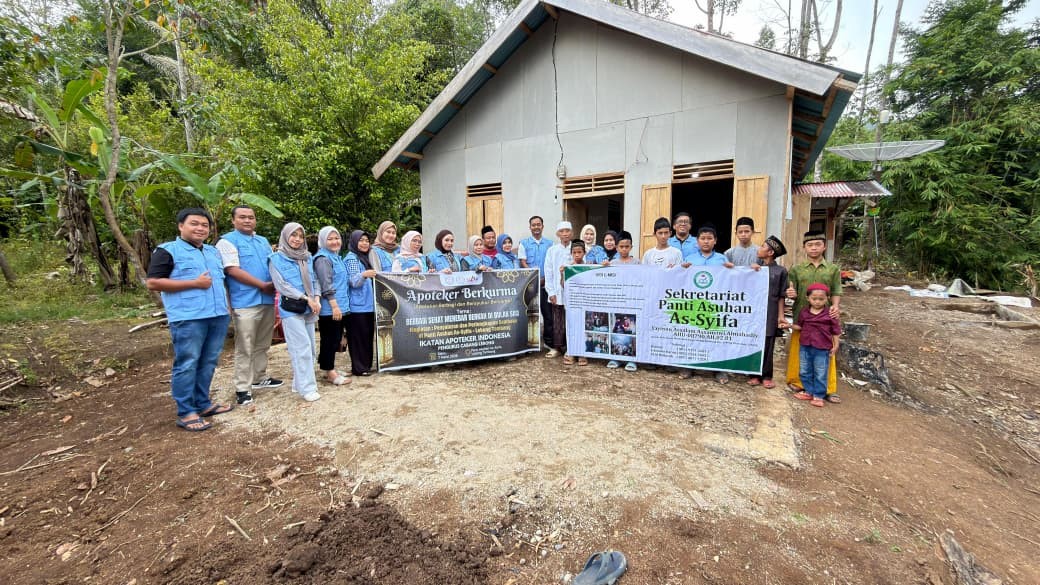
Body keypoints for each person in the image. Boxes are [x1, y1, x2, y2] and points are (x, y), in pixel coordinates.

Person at [146, 208, 233, 432]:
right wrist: (193, 283)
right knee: (187, 363)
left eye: (205, 225)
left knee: (209, 361)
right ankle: (186, 411)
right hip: (189, 318)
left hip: (217, 315)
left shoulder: (212, 252)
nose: (200, 228)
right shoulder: (168, 251)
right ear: (181, 226)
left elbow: (220, 283)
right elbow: (153, 282)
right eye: (195, 224)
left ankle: (203, 403)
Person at [215, 205, 283, 407]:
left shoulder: (262, 241)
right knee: (245, 345)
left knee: (263, 343)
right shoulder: (227, 242)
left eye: (251, 217)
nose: (247, 220)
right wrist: (262, 285)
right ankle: (243, 388)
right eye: (242, 217)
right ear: (233, 220)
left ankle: (259, 377)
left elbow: (273, 264)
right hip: (245, 301)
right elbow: (232, 270)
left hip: (267, 299)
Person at [785, 231, 843, 401]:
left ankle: (829, 388)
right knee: (801, 350)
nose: (814, 248)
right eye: (810, 245)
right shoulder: (796, 269)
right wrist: (790, 293)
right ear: (804, 248)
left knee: (826, 352)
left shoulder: (833, 269)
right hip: (802, 314)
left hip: (825, 317)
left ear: (824, 246)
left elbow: (837, 290)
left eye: (818, 244)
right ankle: (799, 382)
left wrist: (836, 306)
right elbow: (791, 291)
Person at [269, 222, 322, 402]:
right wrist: (306, 298)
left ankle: (299, 383)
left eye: (300, 236)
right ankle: (307, 388)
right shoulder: (275, 259)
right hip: (291, 309)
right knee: (301, 348)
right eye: (293, 235)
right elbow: (282, 285)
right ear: (285, 236)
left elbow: (315, 280)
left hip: (309, 308)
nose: (297, 239)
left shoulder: (307, 257)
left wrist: (316, 297)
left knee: (311, 348)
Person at [747, 235, 789, 389]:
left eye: (763, 246)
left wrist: (781, 316)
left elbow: (781, 296)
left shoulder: (780, 271)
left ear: (770, 252)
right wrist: (751, 271)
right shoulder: (754, 268)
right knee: (753, 341)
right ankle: (753, 374)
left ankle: (766, 375)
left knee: (768, 343)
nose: (759, 248)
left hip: (770, 312)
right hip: (754, 312)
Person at [312, 226, 351, 386]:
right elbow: (325, 284)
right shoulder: (323, 259)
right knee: (330, 339)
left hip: (340, 304)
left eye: (337, 238)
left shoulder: (335, 257)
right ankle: (330, 372)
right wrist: (334, 306)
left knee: (335, 338)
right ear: (323, 241)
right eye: (330, 239)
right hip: (331, 307)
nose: (335, 242)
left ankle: (329, 367)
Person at [791, 283, 841, 407]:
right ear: (808, 298)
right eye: (814, 299)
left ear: (827, 299)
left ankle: (819, 395)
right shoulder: (804, 312)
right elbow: (800, 327)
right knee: (804, 370)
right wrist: (788, 325)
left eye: (821, 299)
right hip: (805, 346)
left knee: (820, 372)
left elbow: (835, 331)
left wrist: (836, 345)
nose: (817, 302)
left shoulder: (830, 314)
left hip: (822, 348)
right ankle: (808, 391)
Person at [517, 216, 554, 348]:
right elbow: (523, 262)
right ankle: (530, 344)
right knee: (530, 315)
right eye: (533, 225)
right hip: (530, 284)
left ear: (542, 226)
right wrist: (535, 276)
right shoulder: (524, 243)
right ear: (530, 227)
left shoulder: (550, 244)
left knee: (548, 314)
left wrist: (544, 279)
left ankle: (549, 343)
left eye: (539, 224)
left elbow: (551, 264)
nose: (536, 227)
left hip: (546, 284)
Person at [344, 230, 377, 376]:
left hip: (367, 305)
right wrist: (364, 274)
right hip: (357, 306)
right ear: (354, 242)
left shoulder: (364, 257)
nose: (364, 243)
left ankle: (366, 366)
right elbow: (353, 281)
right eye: (361, 240)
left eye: (367, 240)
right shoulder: (352, 258)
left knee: (367, 336)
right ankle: (359, 368)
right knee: (358, 338)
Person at [543, 221, 574, 359]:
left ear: (572, 233)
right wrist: (551, 292)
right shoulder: (552, 250)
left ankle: (572, 348)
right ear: (557, 234)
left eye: (568, 231)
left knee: (572, 320)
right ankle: (557, 348)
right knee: (557, 321)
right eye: (562, 231)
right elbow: (548, 272)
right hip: (557, 292)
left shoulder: (577, 248)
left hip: (574, 293)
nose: (565, 234)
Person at [559, 240, 588, 366]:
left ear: (584, 253)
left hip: (584, 303)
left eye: (579, 252)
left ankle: (582, 353)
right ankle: (571, 351)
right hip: (571, 303)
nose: (577, 255)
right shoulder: (568, 267)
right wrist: (562, 274)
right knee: (571, 326)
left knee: (583, 327)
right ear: (571, 253)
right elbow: (563, 285)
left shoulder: (589, 267)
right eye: (574, 252)